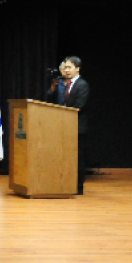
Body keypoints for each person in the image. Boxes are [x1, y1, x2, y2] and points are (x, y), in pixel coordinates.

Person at [46, 56, 90, 195]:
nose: (66, 70)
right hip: (62, 126)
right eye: (64, 67)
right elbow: (54, 101)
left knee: (77, 158)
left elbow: (79, 105)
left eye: (69, 67)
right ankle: (62, 184)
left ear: (78, 69)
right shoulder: (63, 84)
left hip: (76, 127)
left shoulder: (82, 84)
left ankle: (77, 187)